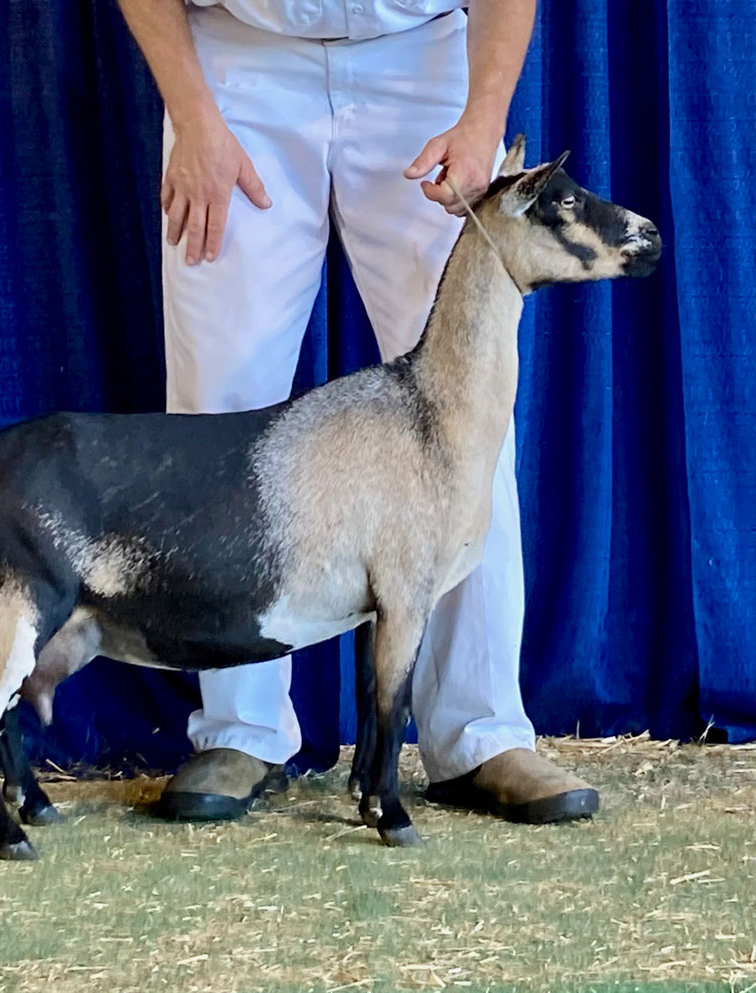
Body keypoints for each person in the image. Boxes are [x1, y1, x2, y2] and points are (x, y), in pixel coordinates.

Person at [116, 0, 599, 826]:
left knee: (463, 408)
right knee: (220, 393)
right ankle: (241, 726)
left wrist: (481, 117)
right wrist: (193, 115)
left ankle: (480, 731)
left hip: (423, 61)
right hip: (239, 64)